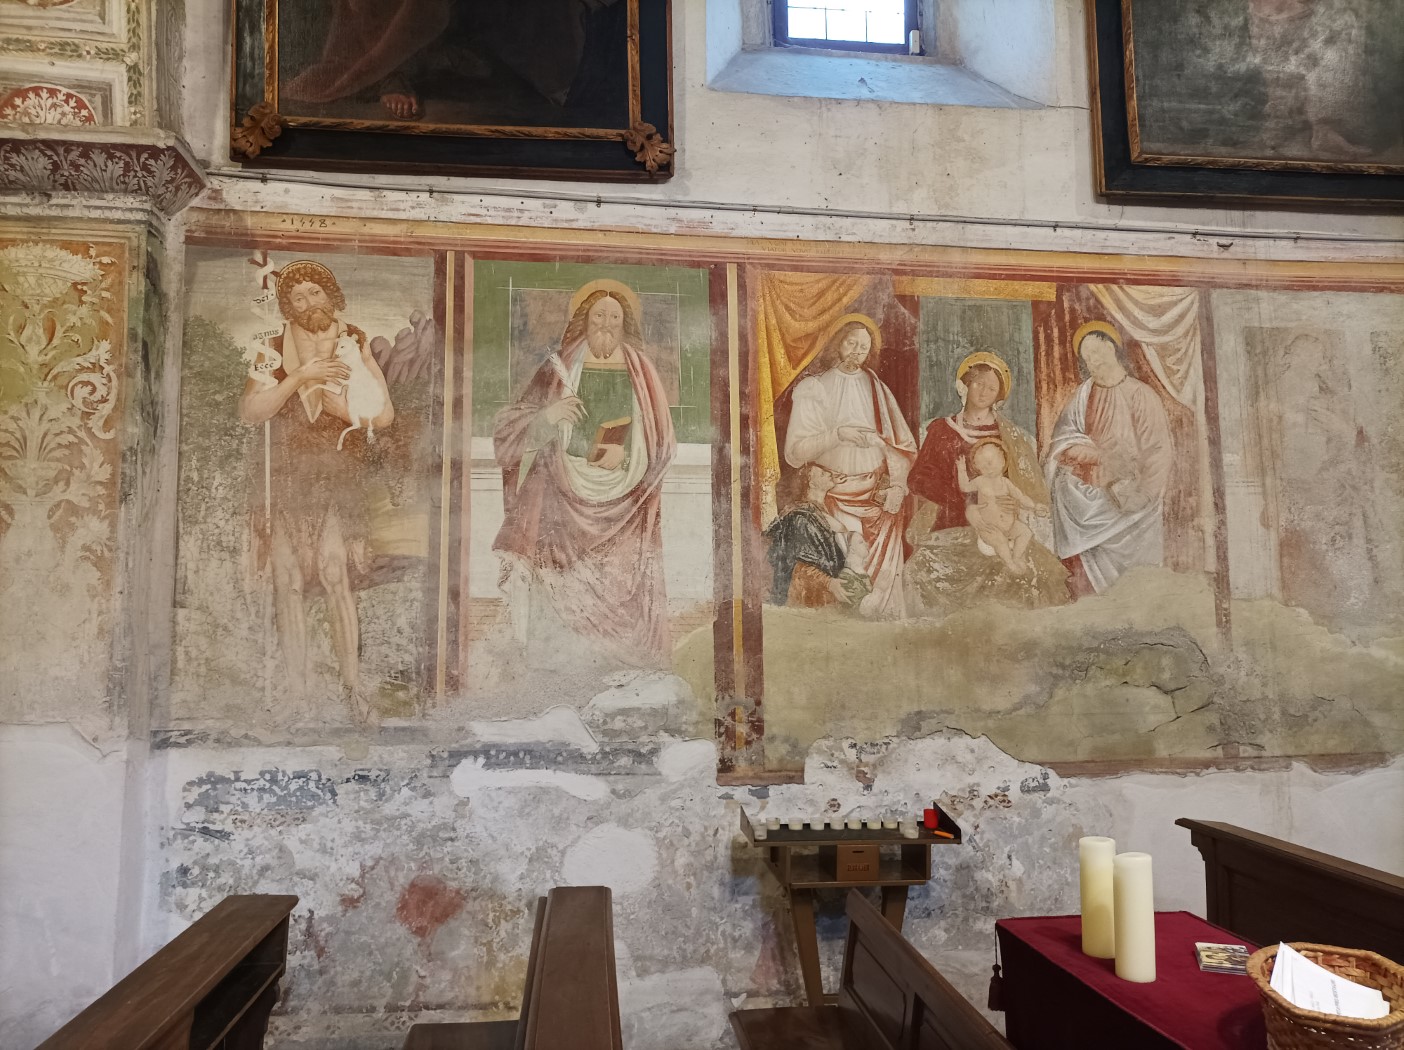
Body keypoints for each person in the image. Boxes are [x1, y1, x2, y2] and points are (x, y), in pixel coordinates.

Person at [238, 260, 395, 724]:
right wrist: (299, 378)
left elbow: (384, 416)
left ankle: (353, 689)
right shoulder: (271, 346)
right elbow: (250, 411)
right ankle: (298, 695)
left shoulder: (355, 339)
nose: (309, 303)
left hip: (335, 475)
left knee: (334, 576)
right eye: (298, 297)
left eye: (316, 292)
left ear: (331, 295)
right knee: (287, 583)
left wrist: (342, 409)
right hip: (286, 477)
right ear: (288, 307)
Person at [492, 280, 675, 668]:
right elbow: (508, 426)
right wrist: (547, 416)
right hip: (560, 499)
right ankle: (555, 667)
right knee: (558, 592)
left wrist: (627, 456)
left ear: (625, 324)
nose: (606, 324)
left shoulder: (642, 372)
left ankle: (624, 666)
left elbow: (662, 439)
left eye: (614, 317)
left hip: (626, 506)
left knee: (620, 589)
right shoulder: (558, 367)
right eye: (599, 316)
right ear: (584, 320)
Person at [905, 351, 1067, 613]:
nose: (983, 392)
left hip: (1002, 523)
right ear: (965, 385)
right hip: (950, 521)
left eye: (992, 388)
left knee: (1031, 577)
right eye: (978, 383)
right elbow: (917, 479)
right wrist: (960, 499)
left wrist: (1014, 503)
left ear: (999, 396)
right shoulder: (942, 429)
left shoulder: (1010, 435)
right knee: (918, 569)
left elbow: (1025, 485)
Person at [782, 315, 916, 619]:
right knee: (843, 582)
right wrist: (837, 435)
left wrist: (897, 485)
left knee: (883, 585)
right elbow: (795, 453)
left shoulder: (877, 389)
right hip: (833, 499)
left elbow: (902, 447)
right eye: (851, 343)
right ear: (837, 344)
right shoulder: (815, 388)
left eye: (864, 347)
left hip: (877, 499)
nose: (857, 351)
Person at [1045, 321, 1173, 595]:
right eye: (1087, 357)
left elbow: (1158, 451)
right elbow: (1063, 443)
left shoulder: (1141, 395)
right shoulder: (1082, 397)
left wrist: (1142, 495)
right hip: (1087, 496)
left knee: (1137, 587)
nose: (1094, 360)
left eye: (1097, 351)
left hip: (1132, 497)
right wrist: (1095, 455)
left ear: (1113, 348)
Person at [764, 462, 872, 609]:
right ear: (811, 483)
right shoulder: (802, 517)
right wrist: (830, 583)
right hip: (809, 598)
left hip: (826, 595)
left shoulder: (821, 511)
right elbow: (798, 566)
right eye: (822, 473)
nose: (829, 474)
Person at [957, 438, 1049, 577]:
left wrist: (1035, 506)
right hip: (990, 529)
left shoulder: (1006, 483)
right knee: (1000, 541)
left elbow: (1021, 497)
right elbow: (964, 487)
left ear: (1002, 461)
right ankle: (1009, 563)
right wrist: (962, 470)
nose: (987, 469)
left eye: (990, 463)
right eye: (982, 466)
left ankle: (1017, 556)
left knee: (1025, 532)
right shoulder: (980, 481)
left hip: (1010, 526)